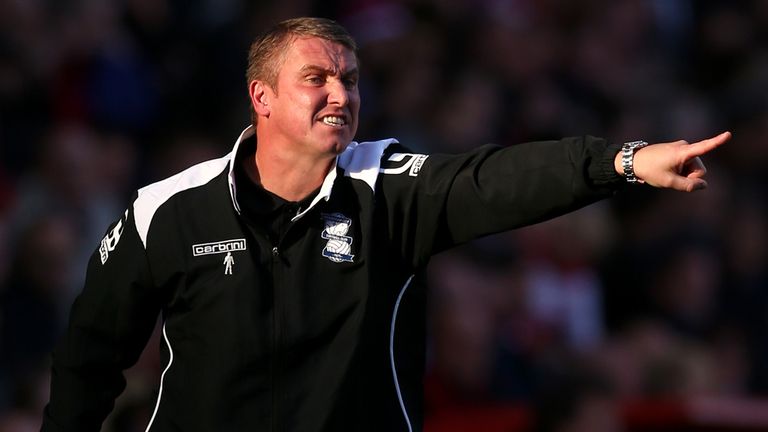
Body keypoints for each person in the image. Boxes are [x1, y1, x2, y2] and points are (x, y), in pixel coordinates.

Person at [41, 17, 730, 432]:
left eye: (350, 79)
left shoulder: (389, 186)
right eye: (317, 78)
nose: (341, 94)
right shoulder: (164, 210)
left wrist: (626, 160)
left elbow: (502, 180)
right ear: (263, 96)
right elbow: (88, 358)